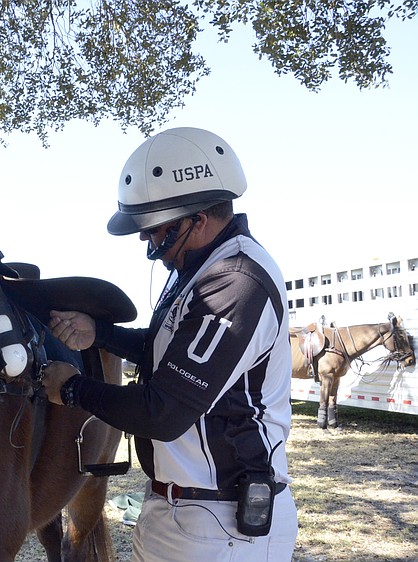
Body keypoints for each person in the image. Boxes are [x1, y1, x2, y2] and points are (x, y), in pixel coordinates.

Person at [41, 127, 298, 561]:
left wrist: (71, 389)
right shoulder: (200, 273)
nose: (147, 239)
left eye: (156, 228)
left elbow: (163, 411)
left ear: (197, 219)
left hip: (220, 525)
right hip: (181, 510)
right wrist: (99, 333)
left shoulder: (236, 280)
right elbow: (166, 352)